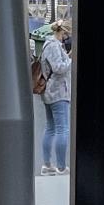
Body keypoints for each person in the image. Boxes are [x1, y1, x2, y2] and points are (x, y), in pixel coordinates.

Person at [38, 21, 72, 175]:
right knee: (62, 129)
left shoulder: (49, 45)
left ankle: (47, 164)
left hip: (49, 92)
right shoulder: (53, 45)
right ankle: (61, 166)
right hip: (58, 92)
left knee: (50, 128)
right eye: (67, 33)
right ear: (62, 32)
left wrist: (67, 56)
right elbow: (59, 68)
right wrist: (70, 60)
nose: (67, 37)